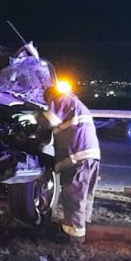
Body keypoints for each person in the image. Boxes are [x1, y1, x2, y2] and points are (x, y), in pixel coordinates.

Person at [38, 84, 100, 243]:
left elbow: (47, 121)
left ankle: (74, 238)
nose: (47, 103)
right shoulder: (76, 104)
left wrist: (35, 115)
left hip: (77, 156)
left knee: (73, 196)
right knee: (84, 195)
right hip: (90, 156)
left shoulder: (62, 100)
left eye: (46, 100)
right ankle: (83, 228)